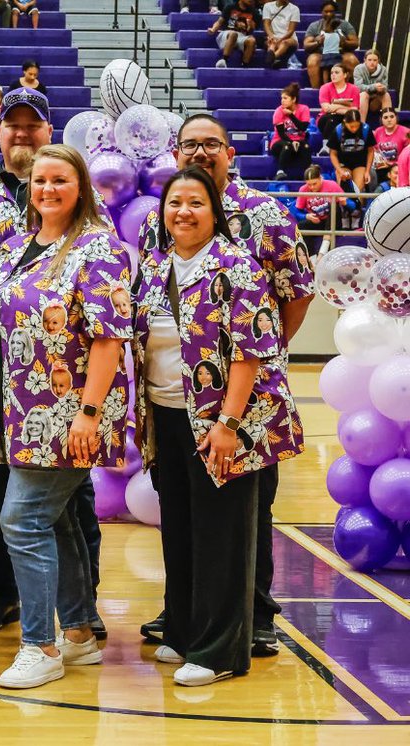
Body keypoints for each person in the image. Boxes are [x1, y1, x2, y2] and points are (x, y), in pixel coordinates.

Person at [137, 113, 314, 658]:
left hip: (244, 401)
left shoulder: (265, 214)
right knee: (186, 508)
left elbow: (298, 291)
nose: (199, 153)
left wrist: (255, 355)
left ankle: (252, 614)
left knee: (242, 513)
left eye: (211, 144)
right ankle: (189, 612)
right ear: (175, 154)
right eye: (189, 144)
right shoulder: (157, 220)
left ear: (230, 153)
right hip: (174, 396)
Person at [0, 144, 131, 689]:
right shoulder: (16, 246)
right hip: (18, 411)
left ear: (81, 186)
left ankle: (40, 645)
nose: (47, 189)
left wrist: (88, 414)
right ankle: (78, 634)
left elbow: (109, 338)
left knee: (21, 520)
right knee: (59, 519)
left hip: (69, 414)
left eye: (60, 180)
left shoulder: (98, 248)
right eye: (39, 180)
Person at [304, 1, 358, 88]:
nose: (329, 14)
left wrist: (344, 42)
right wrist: (317, 42)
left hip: (341, 53)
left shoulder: (345, 25)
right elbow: (306, 45)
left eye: (331, 11)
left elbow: (355, 43)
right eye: (326, 11)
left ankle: (351, 91)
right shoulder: (314, 26)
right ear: (322, 12)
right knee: (312, 61)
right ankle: (318, 92)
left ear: (335, 12)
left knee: (352, 60)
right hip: (321, 54)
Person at [295, 164, 347, 255]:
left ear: (320, 178)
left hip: (333, 221)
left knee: (334, 206)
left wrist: (345, 203)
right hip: (317, 221)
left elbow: (353, 206)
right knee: (301, 225)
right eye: (309, 185)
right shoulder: (303, 189)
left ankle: (323, 251)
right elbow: (296, 212)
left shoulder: (332, 185)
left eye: (314, 184)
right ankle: (310, 257)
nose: (312, 187)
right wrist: (307, 216)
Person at [327, 108, 376, 200]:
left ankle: (358, 212)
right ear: (345, 122)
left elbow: (370, 151)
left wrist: (367, 171)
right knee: (345, 190)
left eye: (357, 126)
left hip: (360, 163)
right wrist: (339, 170)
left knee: (357, 192)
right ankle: (347, 212)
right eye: (351, 126)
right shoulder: (338, 130)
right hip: (343, 164)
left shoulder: (366, 129)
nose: (354, 129)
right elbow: (333, 154)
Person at [268, 83, 310, 180]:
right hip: (280, 141)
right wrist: (292, 142)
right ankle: (280, 171)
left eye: (285, 98)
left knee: (306, 146)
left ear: (294, 99)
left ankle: (308, 173)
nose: (282, 101)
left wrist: (291, 115)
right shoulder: (279, 111)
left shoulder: (304, 109)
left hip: (299, 141)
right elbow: (281, 134)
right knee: (287, 146)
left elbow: (303, 128)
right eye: (281, 98)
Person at [317, 64, 359, 146]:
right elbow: (327, 109)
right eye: (331, 73)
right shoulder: (324, 88)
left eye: (336, 72)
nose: (333, 75)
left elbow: (354, 111)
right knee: (331, 119)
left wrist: (336, 106)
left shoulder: (354, 89)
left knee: (342, 119)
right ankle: (327, 146)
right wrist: (346, 108)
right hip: (325, 118)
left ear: (345, 75)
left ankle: (331, 146)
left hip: (346, 118)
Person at [208, 0, 259, 69]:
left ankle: (244, 65)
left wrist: (251, 26)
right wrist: (213, 29)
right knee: (233, 34)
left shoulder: (254, 12)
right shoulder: (230, 7)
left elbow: (251, 30)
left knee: (252, 40)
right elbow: (219, 22)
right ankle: (224, 60)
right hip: (227, 33)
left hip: (242, 35)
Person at [374, 108, 408, 186]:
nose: (389, 120)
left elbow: (407, 155)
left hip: (399, 166)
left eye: (392, 117)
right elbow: (375, 151)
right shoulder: (378, 131)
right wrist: (379, 162)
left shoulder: (406, 132)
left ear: (396, 117)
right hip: (381, 167)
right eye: (385, 117)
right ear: (381, 120)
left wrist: (391, 164)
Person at [261, 0, 299, 69]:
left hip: (289, 39)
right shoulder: (267, 6)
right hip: (272, 37)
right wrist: (271, 36)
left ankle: (272, 57)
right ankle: (273, 58)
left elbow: (291, 30)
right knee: (271, 43)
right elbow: (266, 24)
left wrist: (280, 40)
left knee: (284, 43)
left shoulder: (295, 9)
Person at [355, 50, 392, 117]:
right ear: (365, 60)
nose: (372, 63)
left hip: (376, 97)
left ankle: (387, 123)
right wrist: (374, 87)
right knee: (364, 95)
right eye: (369, 60)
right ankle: (361, 125)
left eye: (375, 60)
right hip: (362, 97)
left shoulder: (383, 70)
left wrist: (382, 89)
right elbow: (358, 87)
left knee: (386, 95)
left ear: (378, 61)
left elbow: (386, 86)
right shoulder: (358, 69)